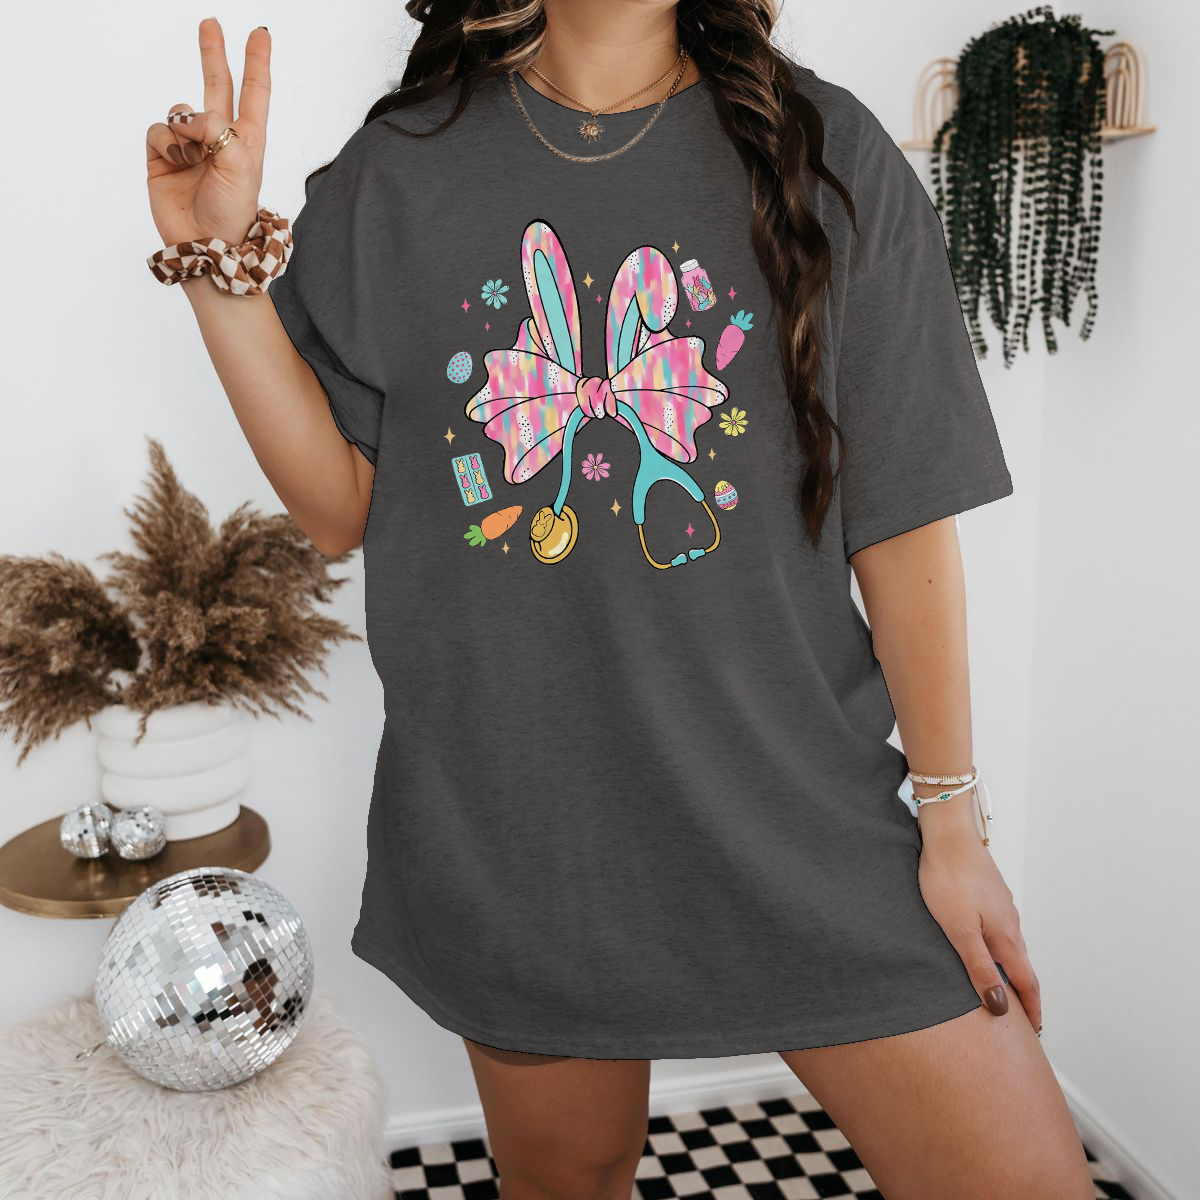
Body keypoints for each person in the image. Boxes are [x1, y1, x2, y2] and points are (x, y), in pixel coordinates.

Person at [143, 3, 1095, 1196]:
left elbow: (902, 532)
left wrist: (953, 830)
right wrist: (219, 271)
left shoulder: (831, 153)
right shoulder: (403, 168)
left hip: (798, 815)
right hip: (523, 829)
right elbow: (341, 506)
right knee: (567, 1181)